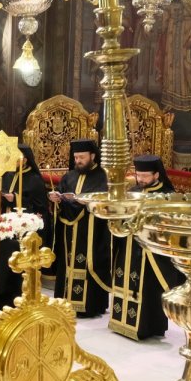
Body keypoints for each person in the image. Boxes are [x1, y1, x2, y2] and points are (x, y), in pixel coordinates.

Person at [109, 155, 179, 340]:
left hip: (149, 251)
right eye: (138, 175)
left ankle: (147, 327)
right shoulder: (134, 191)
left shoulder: (167, 195)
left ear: (156, 175)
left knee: (148, 287)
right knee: (124, 277)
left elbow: (168, 224)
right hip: (129, 245)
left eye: (145, 176)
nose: (140, 180)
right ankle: (121, 322)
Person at [49, 139, 111, 318]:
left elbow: (103, 202)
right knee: (66, 263)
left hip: (91, 230)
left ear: (92, 156)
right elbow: (61, 194)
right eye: (76, 157)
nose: (78, 161)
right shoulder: (69, 176)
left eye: (82, 157)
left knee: (88, 264)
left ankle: (90, 305)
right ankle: (64, 301)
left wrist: (81, 200)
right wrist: (56, 198)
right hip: (69, 230)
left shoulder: (102, 176)